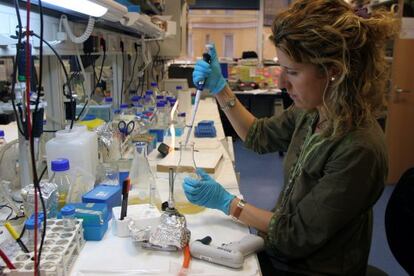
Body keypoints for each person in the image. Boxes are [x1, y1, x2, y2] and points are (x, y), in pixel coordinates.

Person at [184, 0, 399, 275]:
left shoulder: (359, 148)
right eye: (281, 68)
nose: (281, 83)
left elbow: (294, 236)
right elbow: (258, 136)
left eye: (293, 72)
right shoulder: (312, 111)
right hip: (281, 249)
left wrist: (230, 203)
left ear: (333, 71)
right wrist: (221, 89)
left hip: (311, 268)